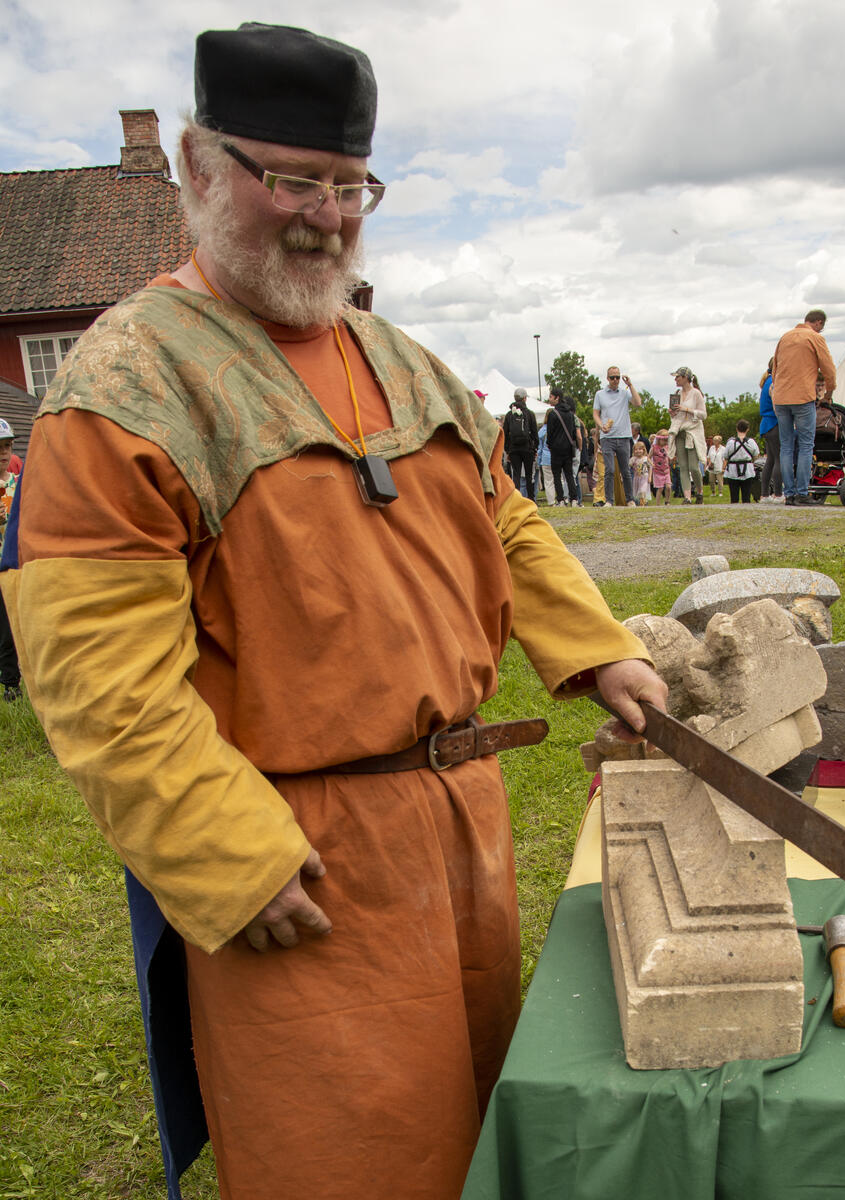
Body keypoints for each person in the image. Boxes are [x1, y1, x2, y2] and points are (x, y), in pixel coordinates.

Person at [0, 24, 669, 1200]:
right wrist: (229, 857)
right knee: (349, 1165)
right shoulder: (120, 393)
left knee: (480, 1137)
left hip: (464, 832)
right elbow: (102, 689)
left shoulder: (403, 362)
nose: (325, 215)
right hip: (300, 861)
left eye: (350, 186)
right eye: (290, 180)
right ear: (200, 167)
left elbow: (502, 518)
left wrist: (596, 649)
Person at [771, 309, 836, 506]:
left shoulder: (785, 337)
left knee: (786, 446)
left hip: (781, 398)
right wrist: (828, 393)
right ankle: (801, 492)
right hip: (802, 397)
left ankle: (788, 493)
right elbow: (829, 369)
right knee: (806, 445)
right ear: (818, 323)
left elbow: (775, 369)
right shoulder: (814, 338)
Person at [593, 366, 642, 507]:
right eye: (612, 377)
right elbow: (596, 413)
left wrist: (630, 385)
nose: (615, 380)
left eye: (617, 377)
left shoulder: (624, 393)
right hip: (607, 436)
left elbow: (638, 402)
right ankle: (609, 500)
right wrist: (601, 425)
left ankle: (630, 499)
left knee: (625, 470)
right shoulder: (600, 394)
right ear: (608, 378)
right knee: (609, 470)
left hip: (623, 435)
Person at [0, 419, 20, 702]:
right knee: (5, 627)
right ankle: (10, 684)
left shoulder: (20, 482)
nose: (3, 452)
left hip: (19, 563)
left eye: (6, 447)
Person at [668, 366, 706, 505]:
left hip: (692, 432)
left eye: (677, 377)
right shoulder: (677, 393)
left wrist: (687, 409)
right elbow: (677, 416)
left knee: (694, 467)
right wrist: (673, 413)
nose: (675, 379)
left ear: (685, 378)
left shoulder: (696, 393)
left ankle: (700, 491)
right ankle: (687, 497)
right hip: (680, 432)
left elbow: (703, 414)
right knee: (682, 466)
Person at [503, 387, 538, 500]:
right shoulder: (530, 414)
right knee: (529, 475)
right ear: (524, 399)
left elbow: (505, 433)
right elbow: (534, 433)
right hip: (527, 448)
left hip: (514, 449)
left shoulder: (509, 415)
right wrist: (535, 448)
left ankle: (517, 500)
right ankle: (531, 499)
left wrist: (507, 450)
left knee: (516, 475)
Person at [545, 389, 579, 506]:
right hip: (568, 448)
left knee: (557, 474)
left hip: (556, 448)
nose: (549, 399)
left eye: (551, 397)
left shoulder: (553, 414)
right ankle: (574, 499)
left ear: (557, 398)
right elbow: (573, 432)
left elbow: (550, 433)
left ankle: (560, 499)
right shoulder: (570, 414)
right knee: (569, 474)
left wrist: (549, 444)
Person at [756, 359, 782, 502]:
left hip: (766, 424)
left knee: (770, 460)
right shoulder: (774, 383)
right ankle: (778, 494)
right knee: (779, 459)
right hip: (774, 422)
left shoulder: (767, 381)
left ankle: (764, 494)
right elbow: (776, 405)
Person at [723, 420, 760, 504]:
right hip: (748, 470)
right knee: (746, 496)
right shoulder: (751, 442)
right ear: (747, 429)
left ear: (737, 429)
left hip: (732, 470)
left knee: (734, 497)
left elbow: (725, 456)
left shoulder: (730, 443)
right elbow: (756, 455)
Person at [649, 427, 672, 504]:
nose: (665, 442)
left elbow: (669, 456)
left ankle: (667, 501)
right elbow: (648, 457)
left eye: (666, 440)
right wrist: (652, 464)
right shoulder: (654, 447)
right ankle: (658, 503)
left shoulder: (667, 447)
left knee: (668, 486)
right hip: (658, 471)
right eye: (664, 440)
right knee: (660, 488)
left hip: (666, 470)